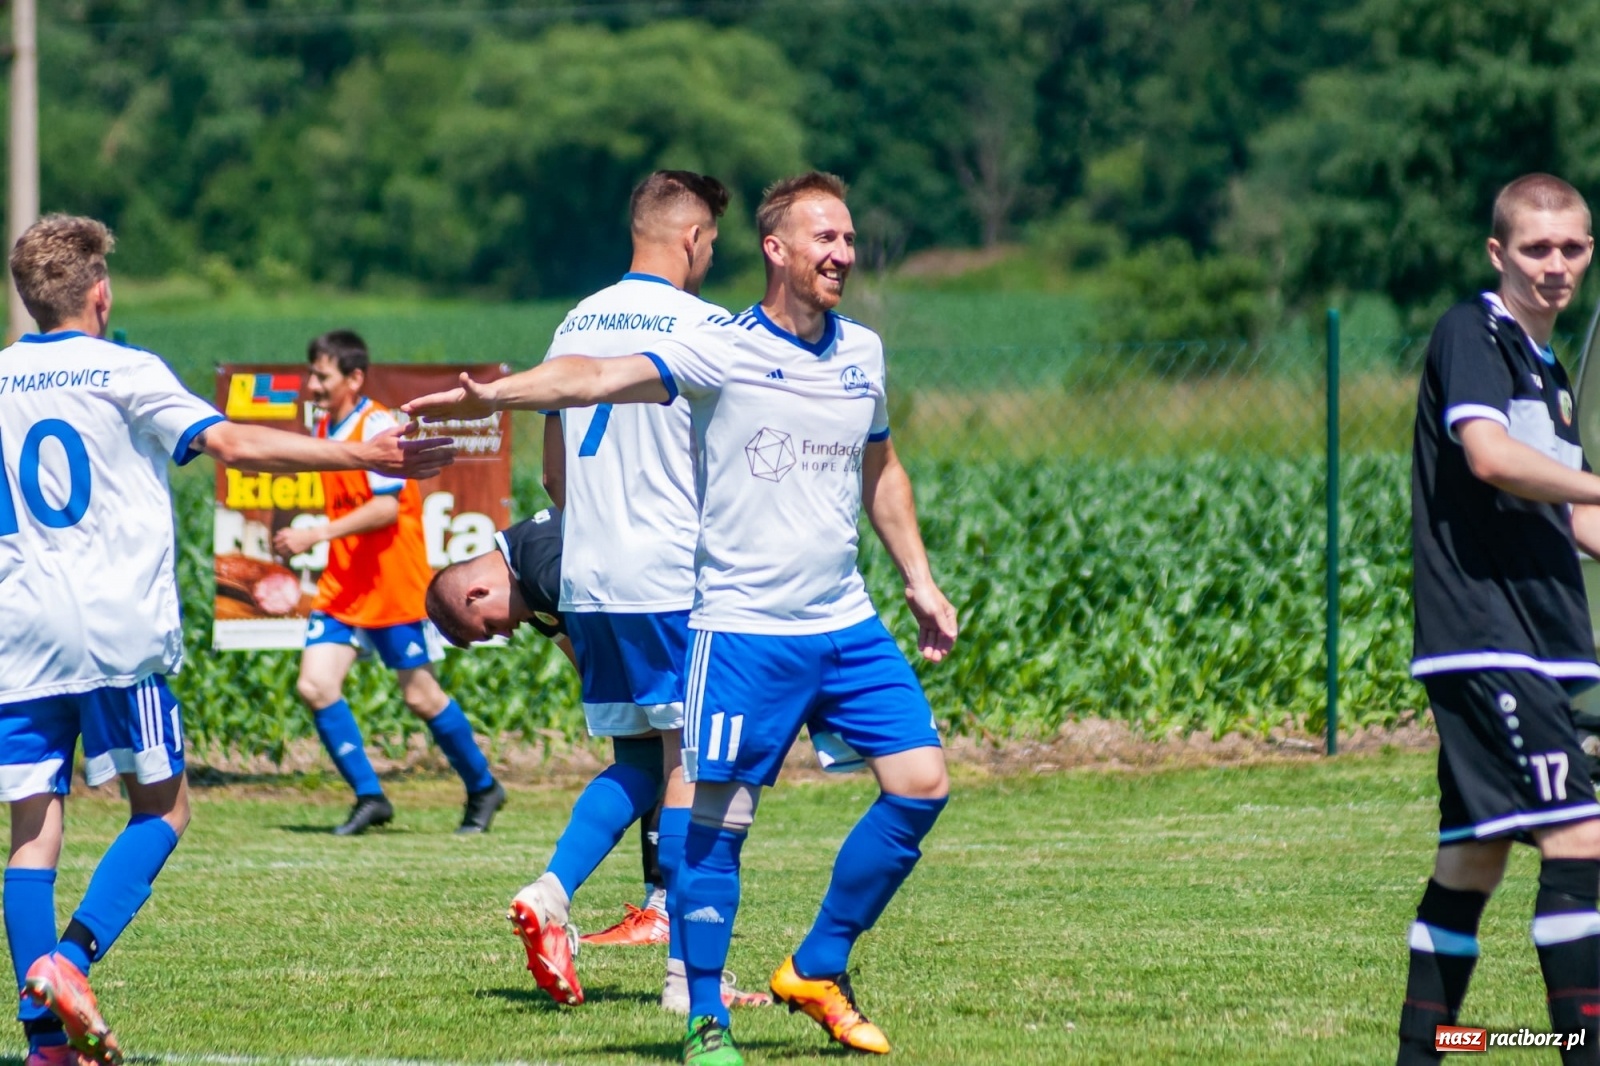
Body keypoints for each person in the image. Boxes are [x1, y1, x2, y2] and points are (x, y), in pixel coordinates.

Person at [406, 171, 956, 1066]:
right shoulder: (717, 342)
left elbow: (881, 466)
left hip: (838, 619)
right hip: (733, 619)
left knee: (921, 783)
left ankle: (817, 963)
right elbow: (595, 377)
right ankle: (704, 1015)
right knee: (712, 817)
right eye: (826, 238)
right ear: (769, 250)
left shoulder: (862, 352)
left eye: (850, 239)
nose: (844, 255)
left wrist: (920, 581)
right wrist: (492, 398)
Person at [0, 214, 451, 1066]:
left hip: (17, 632)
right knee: (163, 809)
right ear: (100, 292)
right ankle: (69, 961)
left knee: (32, 835)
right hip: (112, 633)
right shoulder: (124, 369)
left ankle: (43, 1047)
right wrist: (369, 453)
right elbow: (233, 441)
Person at [1400, 173, 1600, 1066]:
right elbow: (1487, 456)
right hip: (1487, 637)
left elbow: (1575, 516)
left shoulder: (1551, 370)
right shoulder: (1472, 332)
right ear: (1499, 253)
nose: (1556, 267)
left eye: (1573, 249)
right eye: (1537, 249)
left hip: (1543, 642)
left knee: (1470, 864)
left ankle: (1431, 1048)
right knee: (1583, 838)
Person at [271, 331, 505, 837]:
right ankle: (370, 797)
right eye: (312, 373)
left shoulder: (378, 425)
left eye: (322, 375)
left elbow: (384, 508)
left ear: (354, 378)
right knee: (315, 685)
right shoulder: (329, 421)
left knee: (421, 697)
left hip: (390, 584)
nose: (312, 384)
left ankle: (484, 786)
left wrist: (315, 532)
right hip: (344, 585)